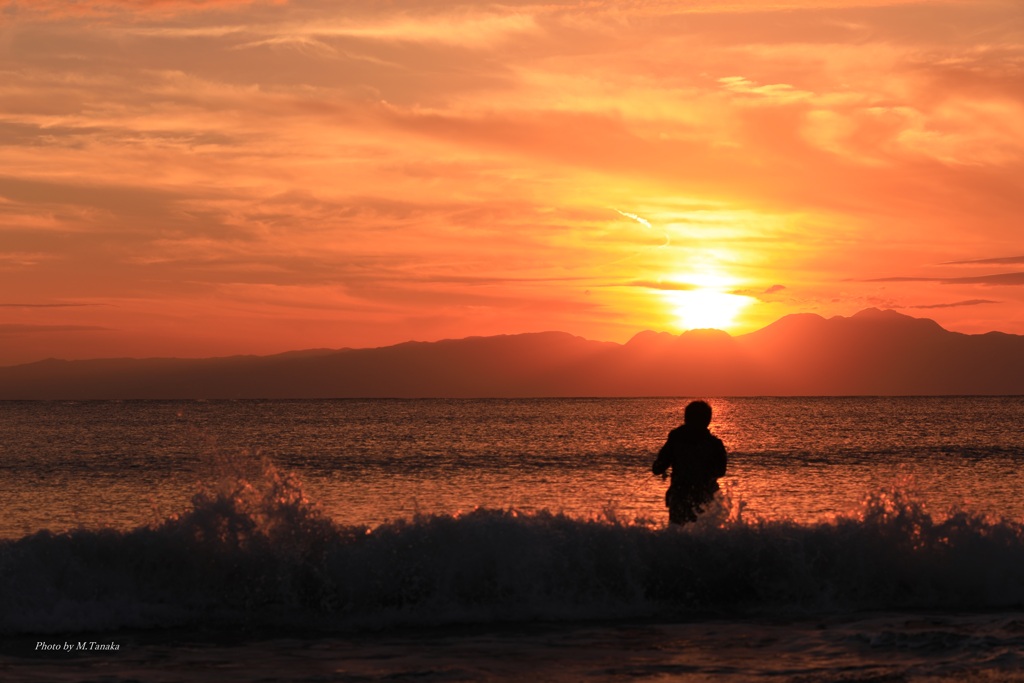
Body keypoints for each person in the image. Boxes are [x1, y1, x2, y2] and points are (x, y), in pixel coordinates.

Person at [652, 400, 728, 525]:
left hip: (680, 495)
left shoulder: (676, 440)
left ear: (686, 419)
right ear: (708, 420)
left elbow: (657, 468)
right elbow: (721, 471)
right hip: (705, 496)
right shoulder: (715, 444)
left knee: (678, 534)